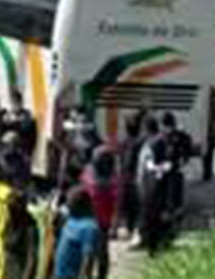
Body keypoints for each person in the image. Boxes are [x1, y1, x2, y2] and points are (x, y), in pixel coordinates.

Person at [80, 147, 119, 279]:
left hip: (95, 220)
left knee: (93, 252)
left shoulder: (88, 174)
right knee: (98, 252)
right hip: (99, 221)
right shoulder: (113, 180)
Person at [136, 117, 171, 255]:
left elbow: (150, 167)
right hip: (155, 185)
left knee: (151, 217)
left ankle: (153, 247)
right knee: (154, 216)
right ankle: (156, 244)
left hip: (151, 186)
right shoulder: (158, 141)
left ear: (146, 129)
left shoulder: (153, 143)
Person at [52, 188, 101, 279]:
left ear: (79, 205)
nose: (67, 206)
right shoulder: (71, 218)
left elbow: (88, 258)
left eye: (69, 203)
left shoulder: (89, 227)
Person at [118, 113, 145, 240]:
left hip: (124, 178)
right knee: (135, 206)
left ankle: (126, 228)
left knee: (126, 205)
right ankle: (133, 230)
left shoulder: (123, 142)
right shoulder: (140, 143)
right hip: (135, 178)